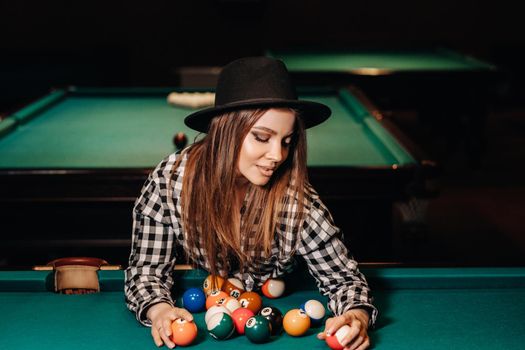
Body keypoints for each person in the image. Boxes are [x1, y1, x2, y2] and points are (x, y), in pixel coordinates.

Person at [125, 57, 378, 349]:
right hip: (219, 296)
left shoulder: (294, 199)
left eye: (286, 140)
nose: (278, 155)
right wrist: (160, 311)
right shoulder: (170, 181)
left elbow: (344, 279)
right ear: (226, 131)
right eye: (262, 137)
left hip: (267, 295)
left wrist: (355, 315)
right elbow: (146, 272)